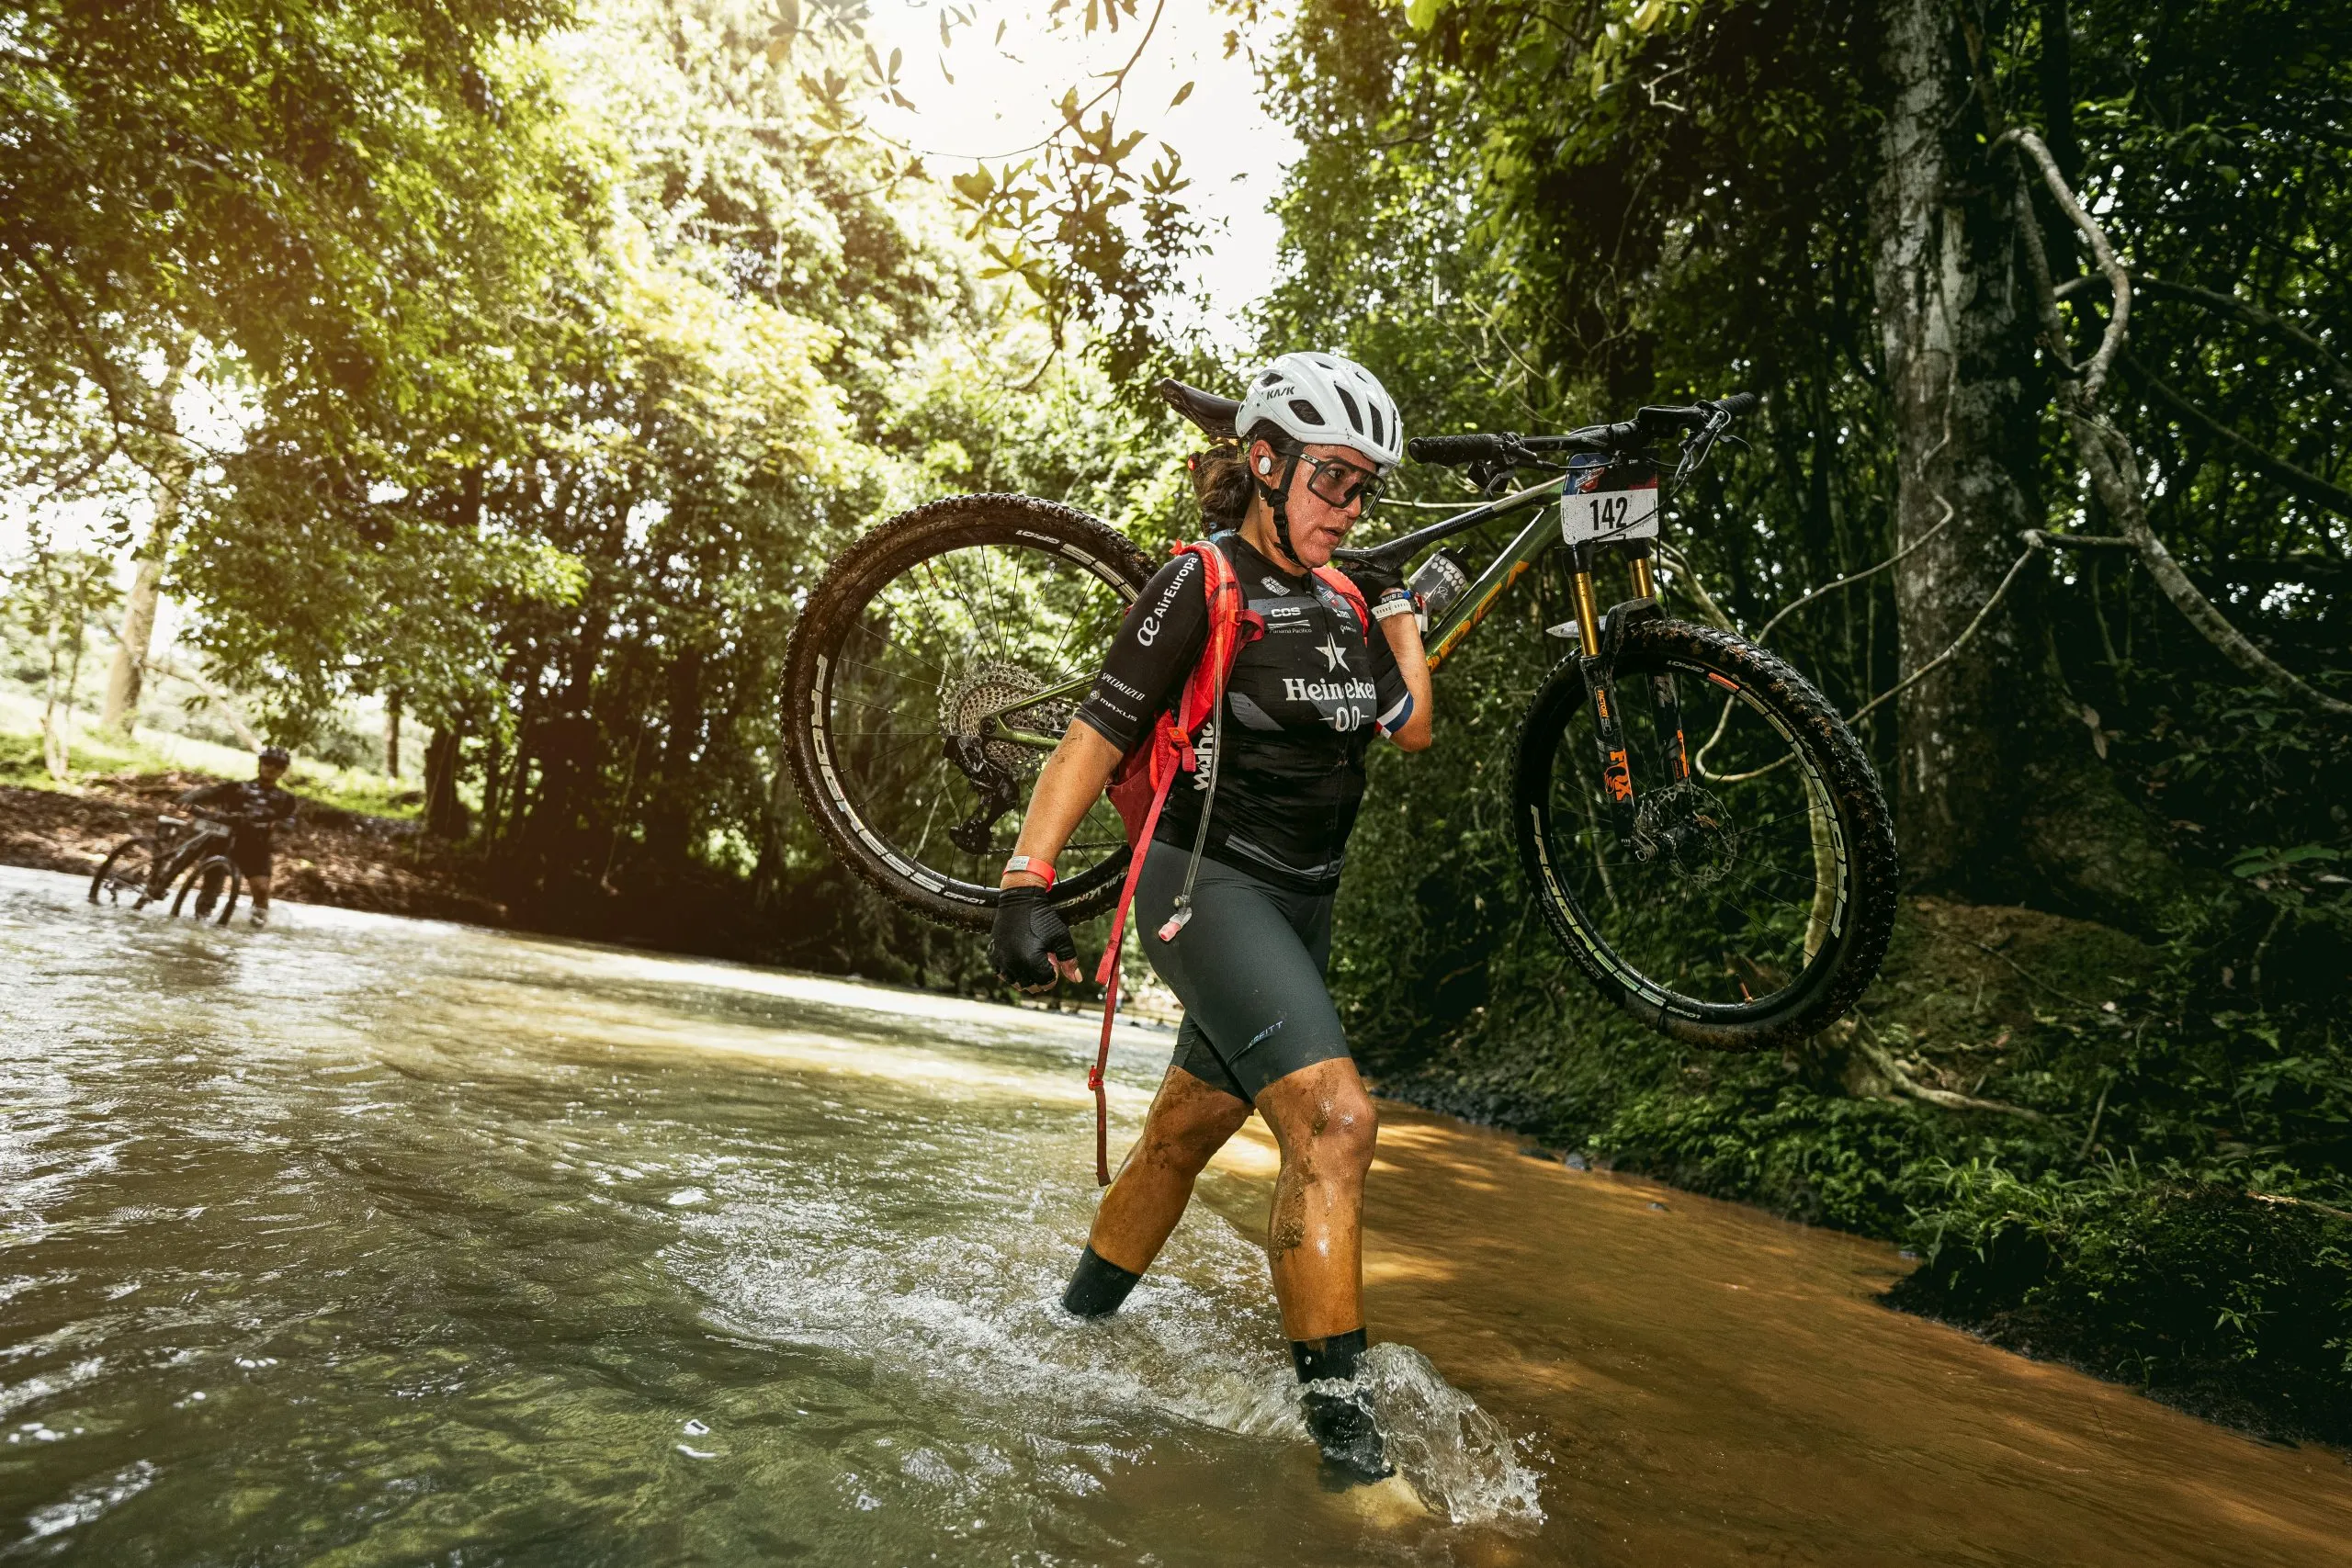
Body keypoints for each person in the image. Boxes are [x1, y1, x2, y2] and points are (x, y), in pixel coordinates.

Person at [989, 352, 1434, 1483]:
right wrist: (1026, 883)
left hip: (1303, 912)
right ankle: (1353, 1464)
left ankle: (1066, 1331)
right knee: (1336, 1127)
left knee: (1181, 1137)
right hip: (1206, 894)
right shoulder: (1200, 579)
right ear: (1265, 462)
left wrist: (1401, 614)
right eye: (1331, 479)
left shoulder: (1342, 599)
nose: (1348, 506)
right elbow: (1091, 736)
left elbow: (1409, 726)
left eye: (1363, 487)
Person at [181, 745, 299, 927]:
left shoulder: (286, 799)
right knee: (211, 890)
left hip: (255, 845)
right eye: (268, 762)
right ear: (260, 764)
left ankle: (255, 930)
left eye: (278, 765)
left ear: (283, 770)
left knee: (261, 890)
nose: (272, 768)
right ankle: (199, 923)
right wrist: (189, 798)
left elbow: (290, 822)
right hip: (223, 841)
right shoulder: (237, 788)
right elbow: (210, 792)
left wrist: (279, 825)